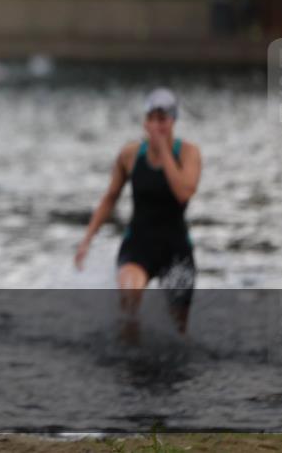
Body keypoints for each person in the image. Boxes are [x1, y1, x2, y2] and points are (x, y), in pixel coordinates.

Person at [74, 88, 201, 342]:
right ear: (145, 121)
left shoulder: (188, 153)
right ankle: (130, 356)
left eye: (162, 119)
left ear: (173, 121)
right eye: (151, 119)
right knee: (130, 298)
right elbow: (110, 197)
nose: (156, 126)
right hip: (138, 245)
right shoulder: (130, 155)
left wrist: (164, 150)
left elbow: (183, 193)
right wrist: (87, 239)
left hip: (175, 249)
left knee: (179, 331)